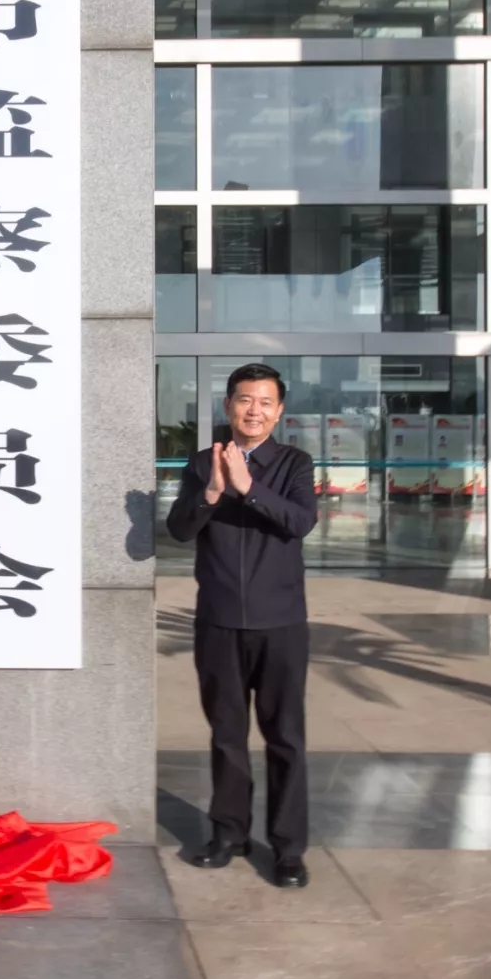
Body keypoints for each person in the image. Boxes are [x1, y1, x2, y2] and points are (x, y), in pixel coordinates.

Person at [166, 363, 316, 889]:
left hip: (282, 625)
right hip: (219, 621)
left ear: (279, 411)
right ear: (228, 405)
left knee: (285, 738)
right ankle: (229, 833)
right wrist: (210, 491)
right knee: (226, 735)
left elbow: (301, 522)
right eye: (244, 400)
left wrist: (248, 486)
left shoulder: (294, 463)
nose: (254, 410)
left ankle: (288, 849)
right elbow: (179, 530)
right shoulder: (201, 461)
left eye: (265, 402)